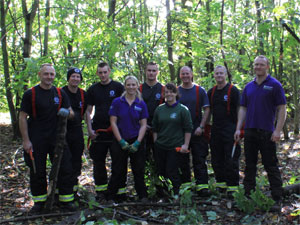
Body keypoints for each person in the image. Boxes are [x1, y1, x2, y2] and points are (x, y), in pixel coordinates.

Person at [19, 63, 76, 213]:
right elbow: (22, 117)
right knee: (38, 170)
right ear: (39, 75)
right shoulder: (30, 94)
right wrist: (26, 140)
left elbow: (72, 113)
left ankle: (66, 200)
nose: (49, 77)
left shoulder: (59, 93)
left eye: (52, 74)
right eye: (46, 74)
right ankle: (39, 202)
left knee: (65, 167)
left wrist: (66, 112)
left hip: (57, 138)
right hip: (37, 138)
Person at [234, 55, 286, 208]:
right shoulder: (249, 86)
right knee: (249, 165)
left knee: (271, 165)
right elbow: (243, 108)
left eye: (261, 65)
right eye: (256, 64)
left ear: (267, 67)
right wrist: (238, 128)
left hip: (267, 132)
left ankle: (277, 198)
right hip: (250, 131)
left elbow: (282, 108)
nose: (258, 67)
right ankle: (248, 196)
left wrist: (278, 130)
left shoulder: (275, 85)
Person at [86, 62, 124, 201]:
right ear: (97, 73)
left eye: (105, 72)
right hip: (99, 131)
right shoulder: (93, 89)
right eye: (100, 72)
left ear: (109, 71)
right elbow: (88, 111)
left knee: (118, 162)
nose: (102, 75)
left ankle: (117, 190)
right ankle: (101, 191)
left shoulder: (118, 87)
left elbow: (126, 106)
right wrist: (90, 129)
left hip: (116, 131)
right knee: (99, 162)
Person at [107, 76, 148, 202]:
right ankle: (114, 195)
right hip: (120, 139)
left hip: (136, 139)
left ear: (137, 86)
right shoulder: (117, 102)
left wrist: (138, 142)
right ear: (125, 86)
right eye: (128, 85)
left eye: (133, 85)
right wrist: (120, 141)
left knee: (139, 169)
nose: (131, 87)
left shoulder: (141, 103)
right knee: (118, 169)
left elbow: (143, 124)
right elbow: (113, 122)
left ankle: (142, 196)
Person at [152, 83, 193, 198]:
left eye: (171, 91)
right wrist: (156, 142)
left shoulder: (183, 110)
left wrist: (186, 144)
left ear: (176, 93)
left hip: (175, 146)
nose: (169, 94)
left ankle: (175, 194)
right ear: (163, 94)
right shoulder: (159, 109)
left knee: (172, 171)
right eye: (166, 92)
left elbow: (188, 128)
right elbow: (155, 127)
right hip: (161, 146)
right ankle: (163, 194)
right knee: (161, 171)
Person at [207, 66, 241, 196]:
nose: (219, 75)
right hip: (216, 129)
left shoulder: (233, 91)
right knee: (216, 158)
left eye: (221, 73)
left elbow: (240, 109)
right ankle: (221, 185)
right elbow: (208, 111)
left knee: (231, 158)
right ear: (214, 75)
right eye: (217, 73)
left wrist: (239, 129)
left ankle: (233, 187)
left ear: (226, 75)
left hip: (230, 128)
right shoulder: (211, 92)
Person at [178, 66, 210, 196]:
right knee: (182, 160)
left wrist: (202, 126)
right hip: (180, 132)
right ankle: (185, 187)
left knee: (199, 158)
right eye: (183, 74)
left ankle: (202, 187)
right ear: (180, 76)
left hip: (197, 130)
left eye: (187, 73)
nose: (185, 76)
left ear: (191, 74)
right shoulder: (176, 91)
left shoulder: (199, 90)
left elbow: (207, 110)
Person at [62, 67, 87, 195]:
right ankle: (60, 192)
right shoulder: (61, 92)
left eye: (78, 77)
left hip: (77, 131)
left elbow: (87, 112)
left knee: (76, 162)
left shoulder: (83, 94)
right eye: (73, 76)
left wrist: (90, 129)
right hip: (62, 132)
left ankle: (73, 191)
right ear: (68, 78)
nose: (75, 79)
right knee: (64, 162)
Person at [139, 62, 164, 159]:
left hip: (159, 129)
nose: (151, 73)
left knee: (159, 157)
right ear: (145, 71)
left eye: (153, 71)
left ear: (157, 72)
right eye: (149, 70)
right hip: (142, 128)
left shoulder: (163, 89)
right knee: (143, 158)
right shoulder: (139, 89)